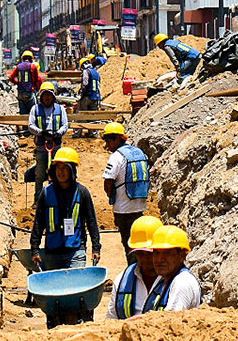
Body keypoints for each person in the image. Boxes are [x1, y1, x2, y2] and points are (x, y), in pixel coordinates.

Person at [30, 147, 100, 272]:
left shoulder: (82, 192)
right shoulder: (46, 193)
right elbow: (39, 223)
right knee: (56, 284)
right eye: (58, 167)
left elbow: (91, 221)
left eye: (65, 168)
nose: (60, 172)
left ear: (72, 170)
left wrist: (96, 248)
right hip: (53, 251)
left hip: (76, 250)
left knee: (75, 282)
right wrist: (35, 249)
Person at [101, 122, 150, 263]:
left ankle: (133, 271)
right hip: (139, 207)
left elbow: (108, 183)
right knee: (140, 244)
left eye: (109, 141)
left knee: (129, 245)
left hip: (123, 209)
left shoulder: (116, 157)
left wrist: (112, 197)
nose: (107, 145)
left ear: (117, 139)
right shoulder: (139, 152)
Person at [107, 215, 163, 320]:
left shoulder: (176, 282)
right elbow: (111, 321)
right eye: (140, 253)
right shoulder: (122, 281)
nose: (145, 259)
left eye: (150, 253)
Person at [143, 225, 202, 313]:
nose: (160, 259)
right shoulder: (165, 280)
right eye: (157, 253)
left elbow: (171, 319)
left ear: (182, 256)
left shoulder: (182, 282)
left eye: (167, 253)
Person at [28, 81, 68, 206]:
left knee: (56, 174)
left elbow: (65, 125)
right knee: (40, 175)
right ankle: (38, 200)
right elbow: (31, 125)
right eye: (45, 95)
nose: (47, 98)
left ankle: (56, 198)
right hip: (41, 147)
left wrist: (58, 133)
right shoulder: (35, 109)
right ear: (41, 96)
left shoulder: (60, 109)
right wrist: (41, 132)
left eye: (49, 95)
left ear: (53, 96)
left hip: (56, 147)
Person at [7, 50, 42, 116]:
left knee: (23, 114)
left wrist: (18, 82)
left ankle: (23, 122)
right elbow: (36, 79)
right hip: (30, 92)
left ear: (23, 58)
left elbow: (11, 78)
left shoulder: (18, 67)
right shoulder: (33, 66)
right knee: (32, 113)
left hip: (21, 92)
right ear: (31, 59)